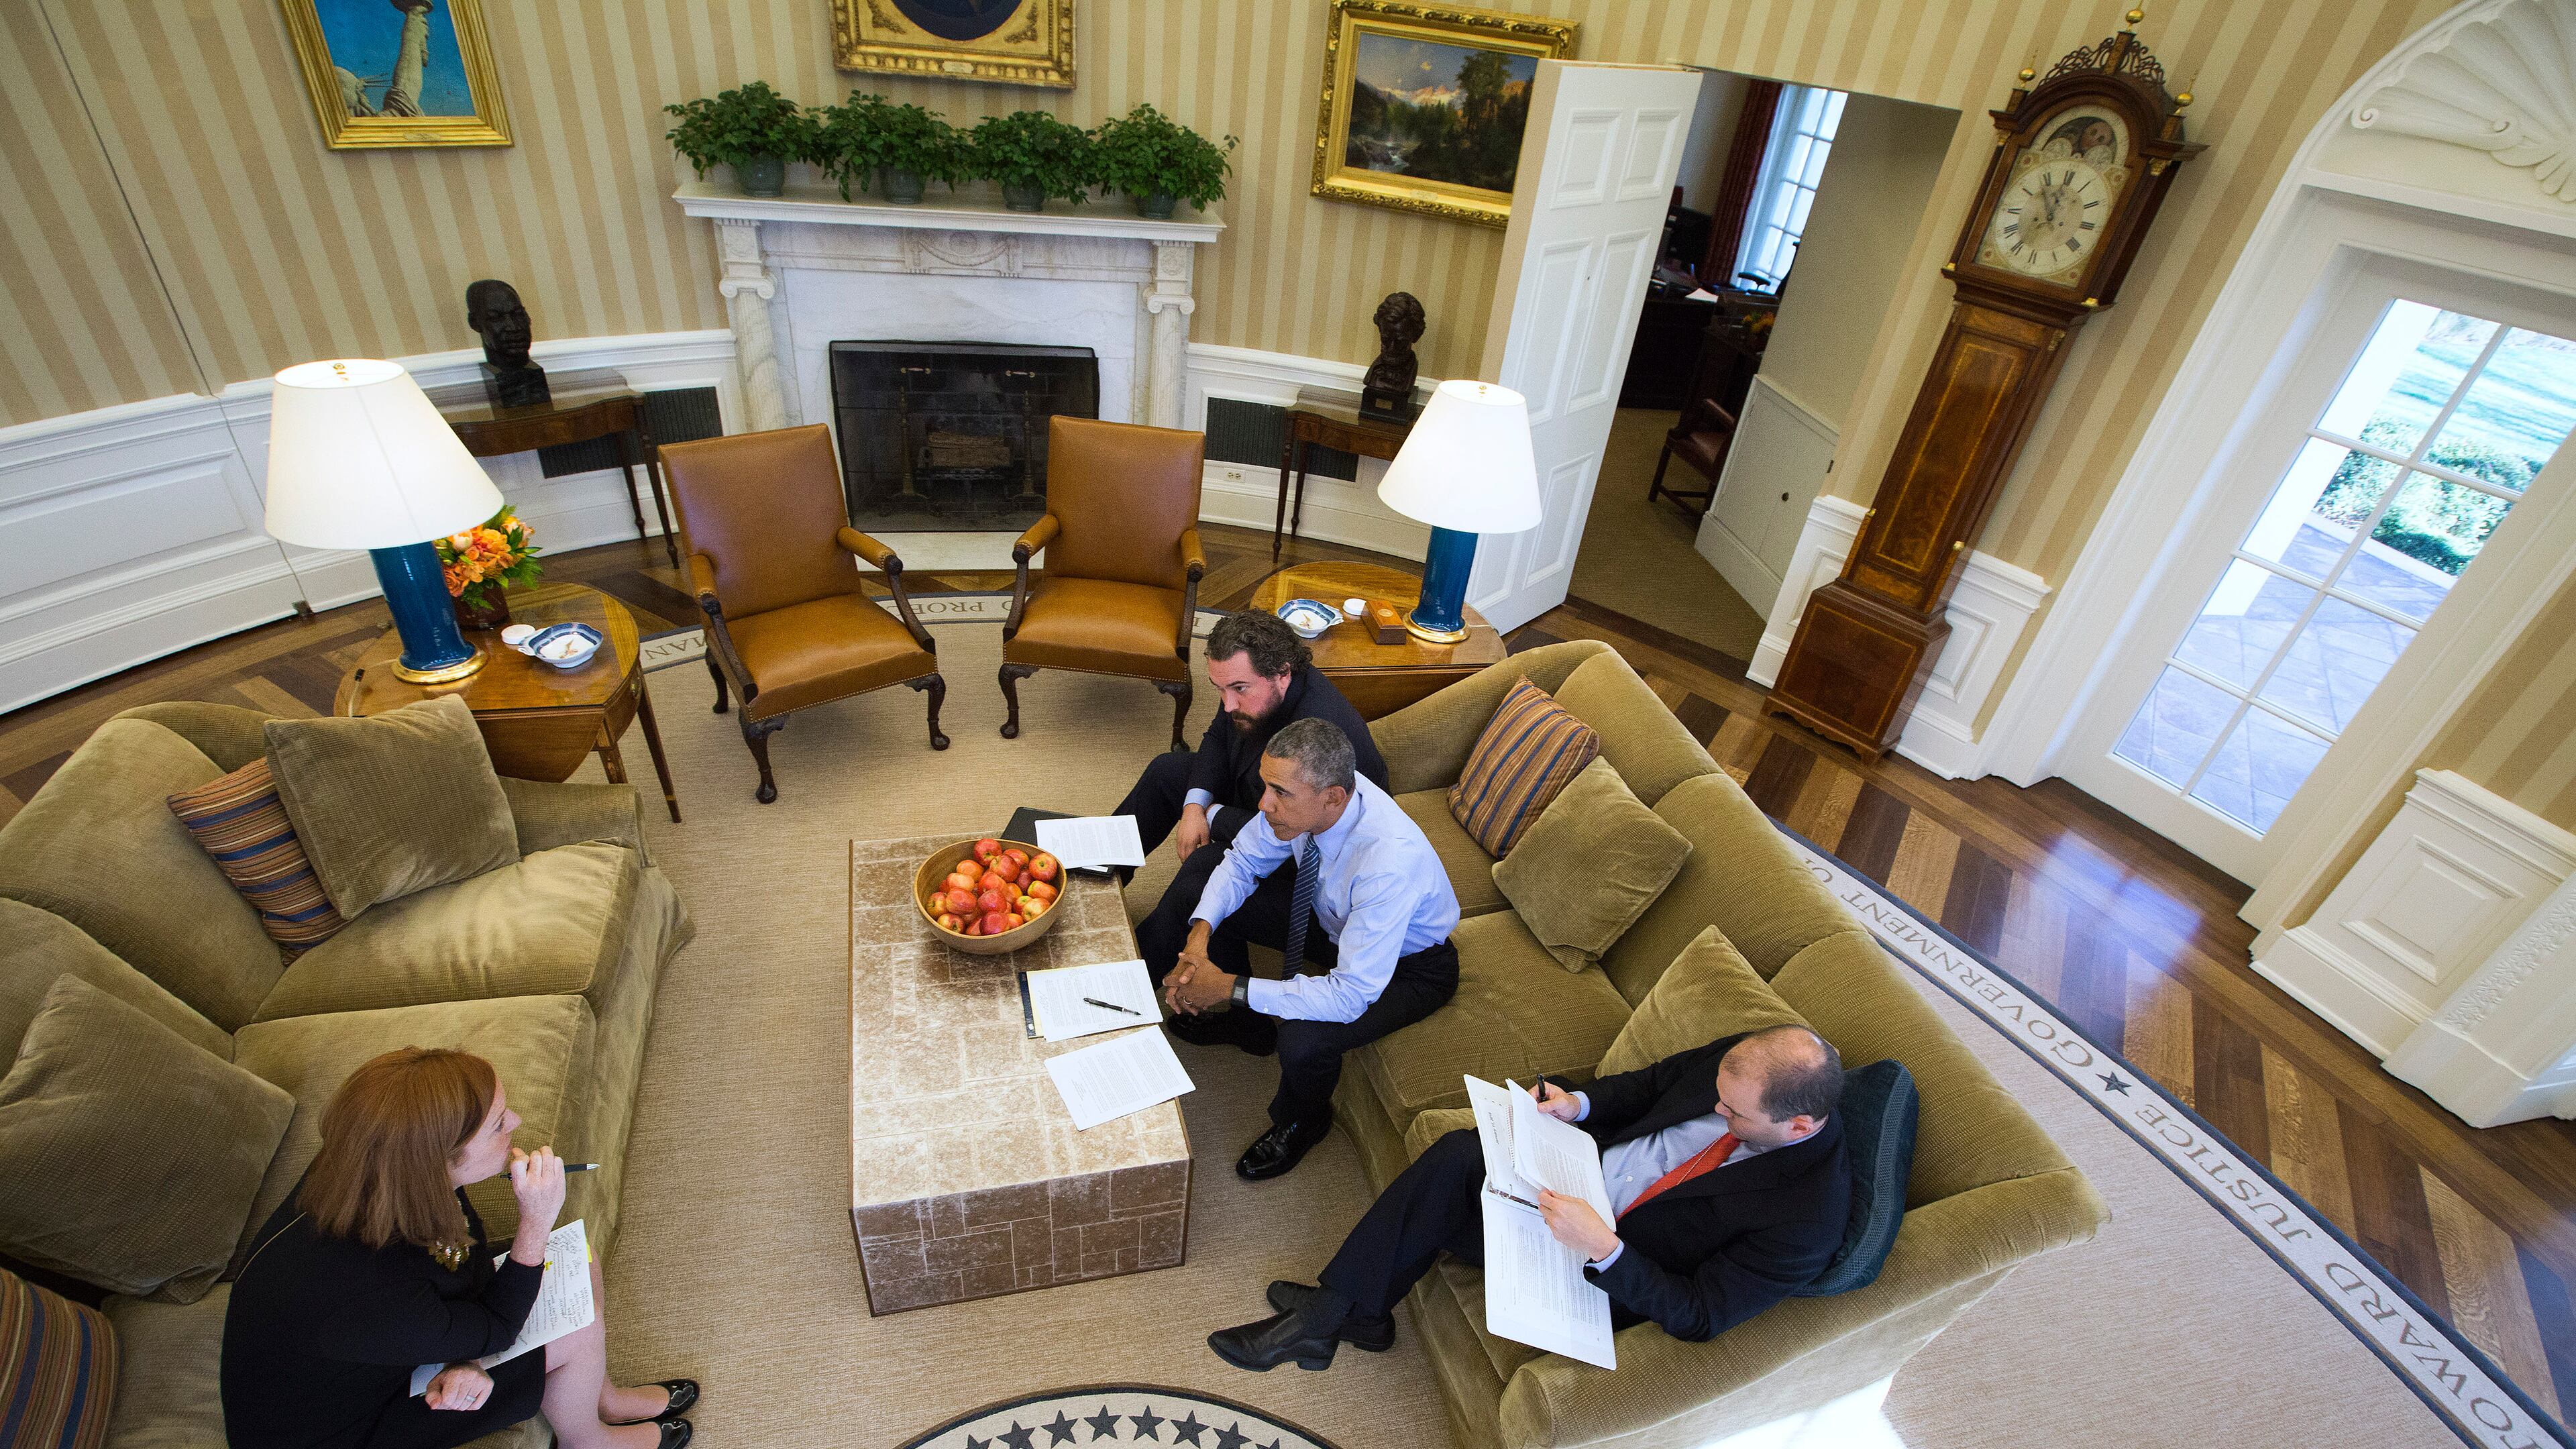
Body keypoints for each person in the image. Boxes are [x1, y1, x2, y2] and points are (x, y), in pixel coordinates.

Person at [1207, 1025, 1848, 1371]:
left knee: (1448, 1181)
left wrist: (1605, 1247)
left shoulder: (1807, 1219)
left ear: (1797, 1126)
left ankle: (1332, 1316)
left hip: (1600, 1262)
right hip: (1571, 1177)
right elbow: (1654, 1082)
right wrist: (1581, 1103)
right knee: (1459, 1155)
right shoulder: (1749, 1060)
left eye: (1731, 1114)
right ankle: (1350, 1314)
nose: (1713, 1109)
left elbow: (1700, 1315)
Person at [221, 1048, 697, 1449]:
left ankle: (603, 1398)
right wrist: (534, 1220)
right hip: (348, 1429)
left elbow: (464, 1267)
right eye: (498, 1125)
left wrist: (464, 1355)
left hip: (384, 1344)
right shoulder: (364, 1292)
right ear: (440, 1157)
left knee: (575, 1257)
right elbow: (496, 1327)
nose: (517, 1121)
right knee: (573, 1328)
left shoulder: (389, 1171)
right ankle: (590, 1441)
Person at [1142, 717, 1460, 1182]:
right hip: (1336, 924)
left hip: (1409, 967)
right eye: (1266, 786)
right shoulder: (1310, 800)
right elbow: (1243, 860)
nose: (1263, 804)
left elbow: (1350, 995)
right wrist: (1199, 938)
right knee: (1204, 893)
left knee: (1303, 1037)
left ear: (1334, 797)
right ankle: (1246, 1027)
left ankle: (1303, 1120)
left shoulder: (1388, 863)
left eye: (1280, 794)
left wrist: (1229, 985)